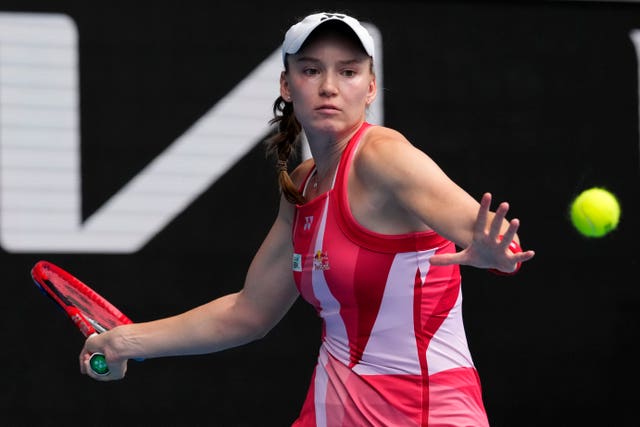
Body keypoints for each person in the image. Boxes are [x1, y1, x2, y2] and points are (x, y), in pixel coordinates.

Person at [80, 11, 535, 426]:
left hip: (428, 414)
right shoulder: (302, 185)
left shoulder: (386, 157)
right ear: (286, 84)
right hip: (329, 413)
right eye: (311, 70)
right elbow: (248, 313)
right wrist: (126, 341)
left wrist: (495, 253)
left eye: (349, 72)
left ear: (371, 87)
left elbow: (497, 243)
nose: (329, 87)